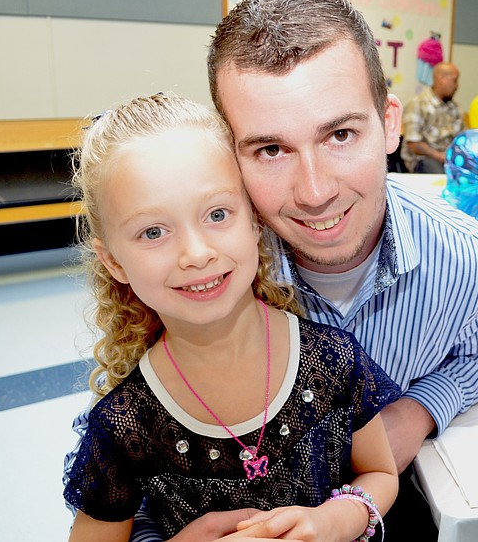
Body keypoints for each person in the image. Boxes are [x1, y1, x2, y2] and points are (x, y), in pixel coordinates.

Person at [64, 0, 478, 540]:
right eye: (272, 149)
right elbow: (135, 495)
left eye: (341, 133)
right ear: (229, 155)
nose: (313, 192)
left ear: (390, 123)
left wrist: (419, 411)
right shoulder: (201, 283)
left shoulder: (462, 257)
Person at [63, 93, 400, 541]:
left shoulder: (332, 362)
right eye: (153, 232)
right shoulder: (127, 424)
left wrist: (337, 520)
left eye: (217, 214)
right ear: (114, 262)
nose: (197, 253)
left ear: (254, 221)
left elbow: (380, 473)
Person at [400, 62, 464, 174]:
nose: (457, 86)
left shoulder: (454, 108)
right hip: (423, 159)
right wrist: (440, 156)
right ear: (441, 79)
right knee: (440, 176)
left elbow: (462, 138)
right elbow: (414, 143)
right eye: (454, 80)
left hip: (449, 158)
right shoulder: (418, 104)